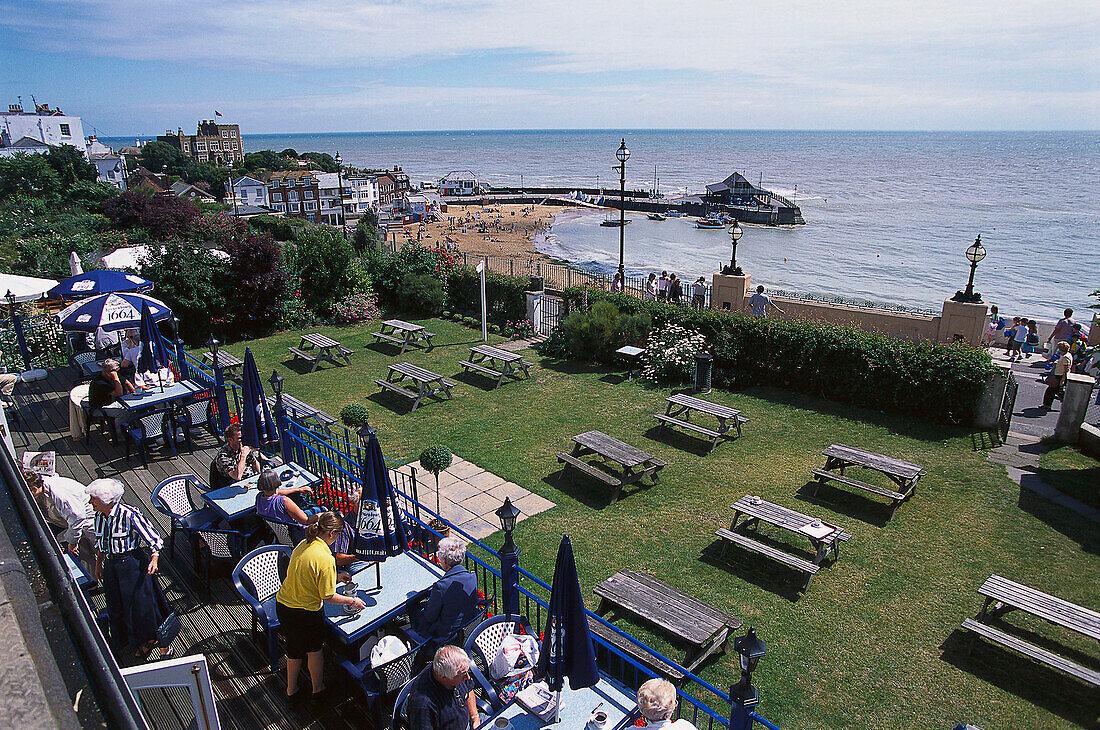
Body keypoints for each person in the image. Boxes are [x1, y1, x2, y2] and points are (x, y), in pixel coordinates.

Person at [275, 511, 365, 705]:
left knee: (294, 650)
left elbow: (308, 575)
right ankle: (318, 690)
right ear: (332, 534)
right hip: (306, 611)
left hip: (284, 605)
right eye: (339, 534)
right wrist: (352, 602)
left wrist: (336, 578)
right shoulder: (325, 558)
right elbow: (327, 596)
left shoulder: (303, 544)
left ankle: (291, 690)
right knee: (314, 650)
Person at [88, 478, 173, 660]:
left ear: (106, 500)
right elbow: (101, 543)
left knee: (141, 606)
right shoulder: (98, 517)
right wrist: (98, 564)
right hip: (112, 565)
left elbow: (153, 538)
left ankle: (154, 639)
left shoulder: (129, 515)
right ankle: (130, 640)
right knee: (116, 605)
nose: (90, 502)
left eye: (93, 499)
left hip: (131, 564)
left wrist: (154, 558)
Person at [408, 537, 479, 645]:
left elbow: (429, 616)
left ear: (445, 562)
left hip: (445, 637)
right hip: (463, 629)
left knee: (415, 611)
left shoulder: (441, 586)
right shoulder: (472, 577)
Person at [24, 469, 95, 564]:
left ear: (34, 489)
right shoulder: (43, 485)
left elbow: (77, 517)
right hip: (69, 519)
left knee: (95, 548)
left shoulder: (60, 495)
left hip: (86, 519)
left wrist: (72, 542)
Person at [406, 645, 480, 730]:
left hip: (470, 722)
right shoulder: (423, 705)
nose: (467, 677)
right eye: (463, 675)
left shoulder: (455, 669)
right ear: (444, 677)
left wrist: (475, 718)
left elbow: (469, 689)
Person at [255, 468, 317, 537]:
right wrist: (322, 515)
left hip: (284, 535)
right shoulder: (284, 501)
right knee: (320, 510)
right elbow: (306, 521)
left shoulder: (259, 497)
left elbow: (278, 492)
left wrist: (298, 489)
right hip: (298, 532)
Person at [211, 423, 262, 489]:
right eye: (240, 438)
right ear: (230, 439)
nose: (243, 440)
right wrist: (243, 456)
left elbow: (254, 463)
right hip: (232, 486)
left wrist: (260, 476)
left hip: (250, 481)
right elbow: (237, 476)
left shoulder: (241, 447)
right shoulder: (223, 457)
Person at [1042, 341, 1073, 411]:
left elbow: (1066, 369)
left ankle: (1047, 405)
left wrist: (1063, 379)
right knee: (1054, 391)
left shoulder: (1065, 357)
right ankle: (1047, 404)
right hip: (1058, 375)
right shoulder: (1066, 355)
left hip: (1060, 376)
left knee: (1052, 391)